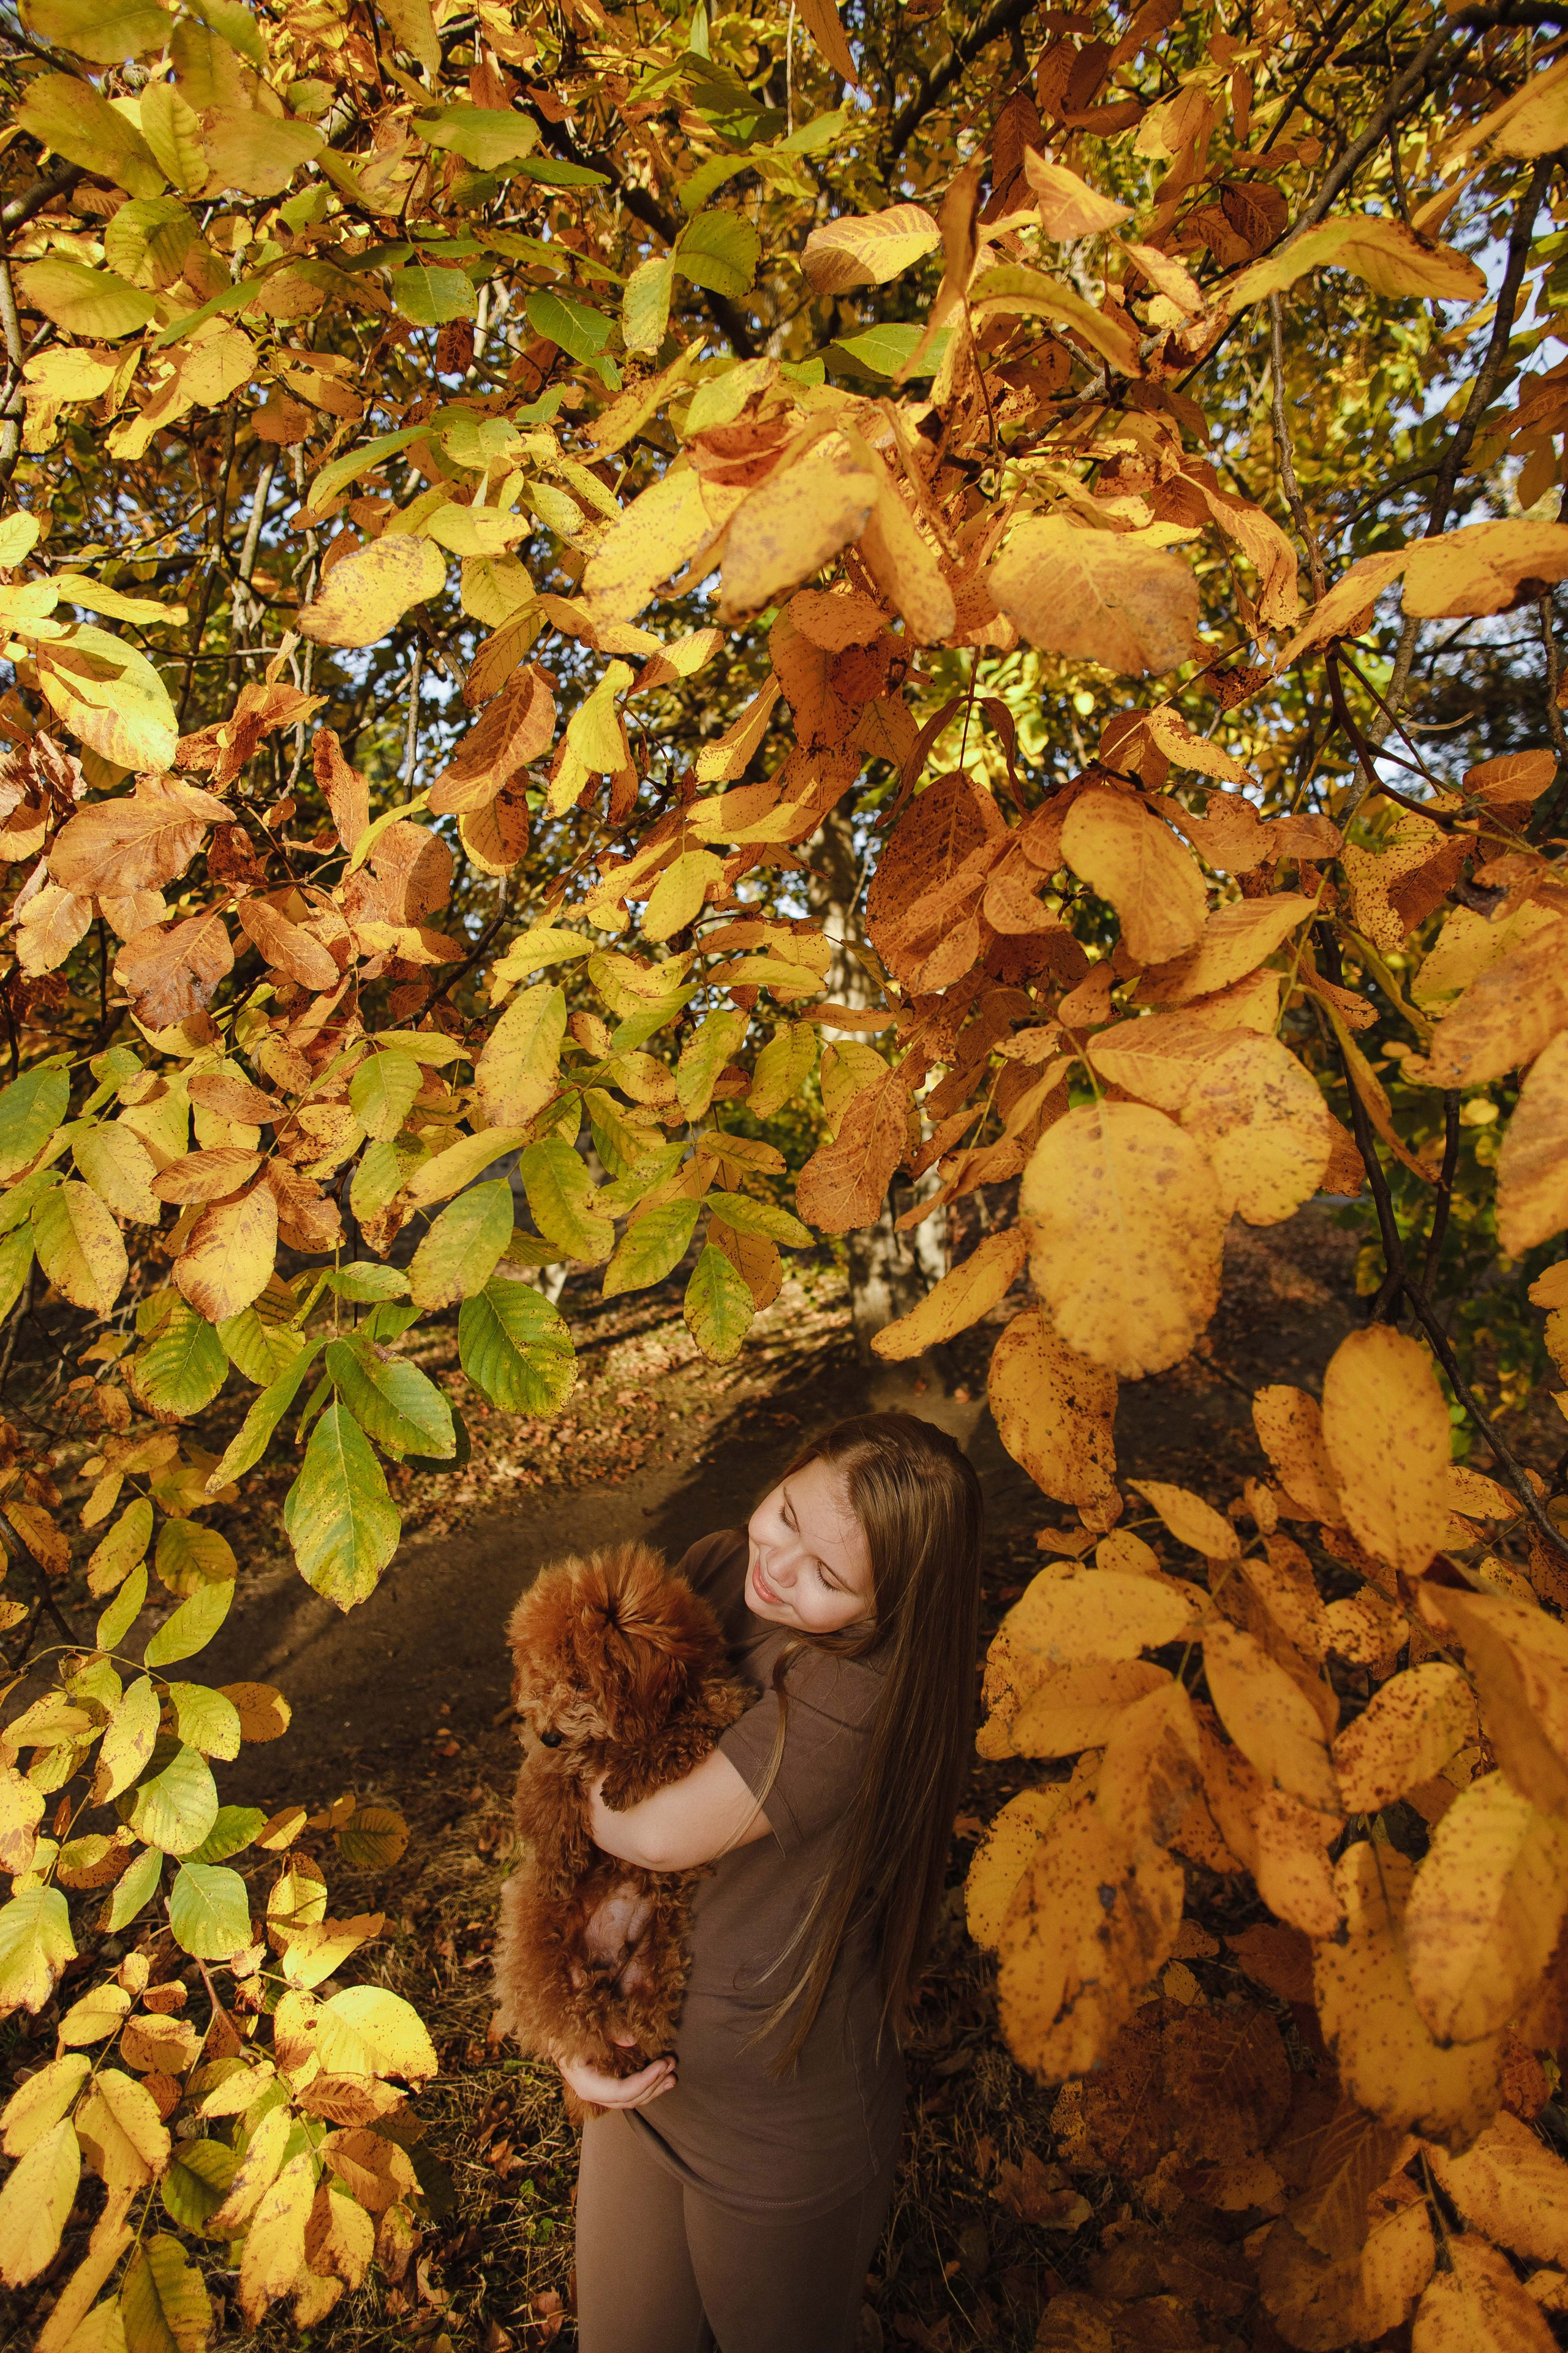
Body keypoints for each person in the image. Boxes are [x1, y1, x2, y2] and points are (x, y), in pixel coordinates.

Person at [556, 1410, 986, 2353]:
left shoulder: (863, 1690)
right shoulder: (716, 1567)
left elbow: (646, 1829)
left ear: (887, 1609)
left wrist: (557, 1748)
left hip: (775, 2125)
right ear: (788, 1472)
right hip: (650, 2076)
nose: (780, 1566)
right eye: (787, 1514)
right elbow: (602, 1848)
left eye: (828, 1575)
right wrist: (574, 2017)